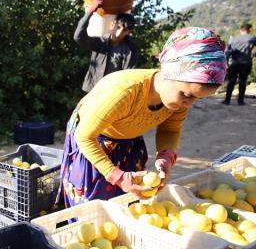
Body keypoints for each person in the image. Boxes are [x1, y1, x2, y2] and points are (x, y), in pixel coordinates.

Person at [59, 27, 227, 207]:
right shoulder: (125, 92)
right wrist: (117, 176)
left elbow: (170, 129)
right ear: (168, 73)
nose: (189, 104)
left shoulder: (178, 100)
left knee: (129, 199)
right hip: (93, 139)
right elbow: (85, 136)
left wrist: (166, 156)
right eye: (186, 95)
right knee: (94, 202)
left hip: (127, 137)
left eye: (196, 98)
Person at [74, 0, 140, 93]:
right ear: (112, 24)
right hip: (92, 91)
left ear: (128, 33)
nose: (119, 32)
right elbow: (78, 37)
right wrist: (91, 10)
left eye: (124, 30)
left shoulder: (131, 50)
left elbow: (128, 77)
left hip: (113, 93)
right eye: (118, 27)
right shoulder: (100, 42)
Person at [224, 23, 255, 105]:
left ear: (241, 30)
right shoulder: (252, 38)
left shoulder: (234, 38)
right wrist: (254, 54)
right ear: (249, 30)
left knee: (231, 81)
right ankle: (240, 101)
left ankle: (227, 100)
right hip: (246, 62)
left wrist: (226, 63)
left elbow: (228, 51)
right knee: (243, 81)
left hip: (234, 63)